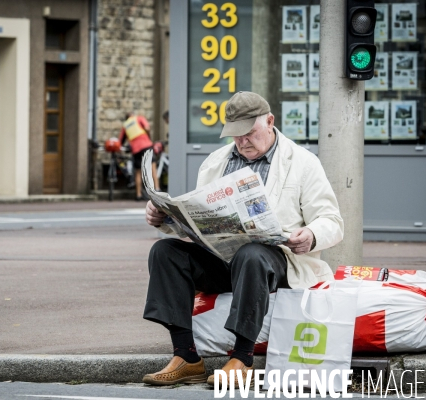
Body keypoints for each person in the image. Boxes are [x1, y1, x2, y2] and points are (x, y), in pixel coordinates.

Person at [142, 91, 344, 387]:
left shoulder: (302, 162)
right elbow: (201, 219)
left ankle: (243, 358)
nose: (242, 142)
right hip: (223, 257)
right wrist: (165, 219)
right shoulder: (215, 162)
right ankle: (186, 356)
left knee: (252, 253)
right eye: (235, 136)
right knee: (164, 252)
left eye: (249, 133)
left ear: (270, 121)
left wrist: (311, 235)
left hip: (277, 260)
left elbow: (332, 221)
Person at [119, 112, 159, 200]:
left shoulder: (125, 125)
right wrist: (149, 137)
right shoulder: (139, 118)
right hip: (146, 145)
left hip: (136, 149)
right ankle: (157, 189)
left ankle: (138, 195)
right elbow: (147, 128)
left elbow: (121, 141)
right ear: (132, 115)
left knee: (138, 171)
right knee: (152, 167)